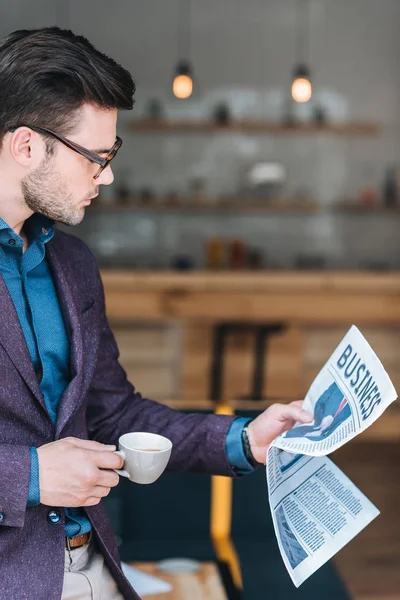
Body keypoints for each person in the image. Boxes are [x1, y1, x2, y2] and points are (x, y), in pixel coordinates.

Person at [0, 27, 313, 600]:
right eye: (96, 156)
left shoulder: (70, 263)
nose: (109, 175)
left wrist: (245, 440)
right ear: (26, 146)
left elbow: (114, 411)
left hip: (95, 562)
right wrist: (34, 475)